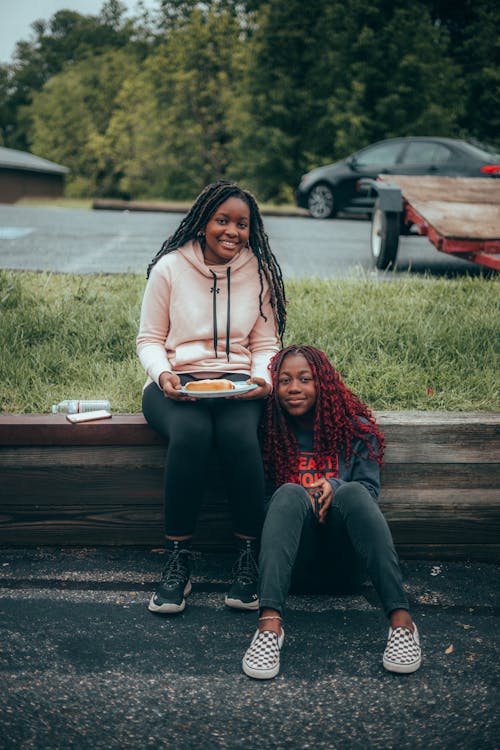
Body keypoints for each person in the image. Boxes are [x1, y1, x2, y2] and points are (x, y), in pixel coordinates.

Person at [137, 180, 286, 616]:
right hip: (176, 383)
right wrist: (163, 373)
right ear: (203, 223)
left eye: (242, 224)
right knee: (192, 433)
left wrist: (263, 379)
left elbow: (266, 342)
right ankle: (178, 559)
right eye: (222, 220)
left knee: (240, 437)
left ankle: (247, 559)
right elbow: (149, 338)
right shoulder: (169, 268)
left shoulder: (258, 272)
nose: (232, 232)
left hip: (238, 385)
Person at [242, 345, 422, 679]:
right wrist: (303, 501)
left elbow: (368, 496)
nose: (294, 388)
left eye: (304, 379)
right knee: (287, 493)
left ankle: (402, 623)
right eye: (284, 381)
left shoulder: (356, 430)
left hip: (346, 566)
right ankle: (269, 628)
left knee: (353, 490)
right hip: (290, 572)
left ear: (322, 382)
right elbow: (261, 508)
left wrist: (333, 486)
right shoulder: (269, 433)